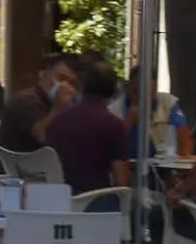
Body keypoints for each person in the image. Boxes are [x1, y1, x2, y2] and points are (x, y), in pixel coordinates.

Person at [45, 61, 132, 197]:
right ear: (114, 90)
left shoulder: (57, 121)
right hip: (96, 202)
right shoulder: (113, 124)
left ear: (83, 85)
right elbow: (121, 181)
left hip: (60, 201)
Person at [0, 53, 79, 153]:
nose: (66, 86)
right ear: (43, 74)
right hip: (18, 162)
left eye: (71, 83)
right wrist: (58, 107)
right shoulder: (26, 101)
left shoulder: (51, 102)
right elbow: (42, 135)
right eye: (61, 78)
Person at [117, 65, 194, 159]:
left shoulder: (167, 102)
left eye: (147, 92)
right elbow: (110, 147)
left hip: (160, 163)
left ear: (155, 88)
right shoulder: (115, 110)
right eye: (136, 92)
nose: (142, 98)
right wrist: (128, 122)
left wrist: (185, 154)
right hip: (127, 163)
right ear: (129, 87)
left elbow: (182, 130)